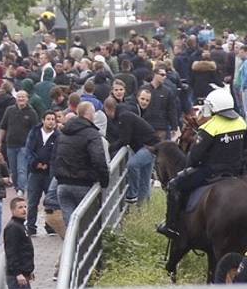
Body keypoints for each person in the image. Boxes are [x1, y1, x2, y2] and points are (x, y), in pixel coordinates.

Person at [158, 87, 247, 240]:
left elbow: (193, 159)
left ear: (213, 108)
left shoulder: (209, 128)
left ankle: (172, 225)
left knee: (174, 185)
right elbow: (246, 145)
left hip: (210, 172)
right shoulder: (240, 122)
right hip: (237, 170)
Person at [52, 102, 110, 230]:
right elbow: (98, 159)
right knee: (87, 226)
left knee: (71, 226)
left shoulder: (64, 132)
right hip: (84, 183)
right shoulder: (92, 134)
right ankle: (82, 249)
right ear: (89, 114)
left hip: (63, 184)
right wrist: (104, 181)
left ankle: (72, 249)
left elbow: (54, 156)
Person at [104, 96, 158, 204]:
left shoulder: (124, 117)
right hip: (151, 145)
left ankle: (132, 194)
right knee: (144, 179)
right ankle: (143, 207)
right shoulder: (125, 114)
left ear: (108, 109)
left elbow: (125, 139)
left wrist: (110, 149)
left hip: (148, 146)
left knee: (132, 164)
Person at [0, 89, 39, 194]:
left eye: (23, 97)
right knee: (13, 170)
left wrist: (35, 145)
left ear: (27, 99)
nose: (21, 99)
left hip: (24, 146)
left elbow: (35, 130)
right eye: (19, 97)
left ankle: (21, 189)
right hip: (10, 144)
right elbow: (3, 127)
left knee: (22, 168)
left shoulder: (32, 113)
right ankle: (17, 187)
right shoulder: (9, 110)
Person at [24, 111, 58, 235]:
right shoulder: (34, 133)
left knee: (50, 201)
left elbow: (56, 154)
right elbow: (28, 151)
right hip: (35, 172)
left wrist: (48, 164)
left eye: (53, 119)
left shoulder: (57, 136)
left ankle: (50, 226)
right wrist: (35, 163)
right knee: (32, 200)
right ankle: (31, 227)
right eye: (48, 119)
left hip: (50, 173)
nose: (51, 121)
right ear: (43, 120)